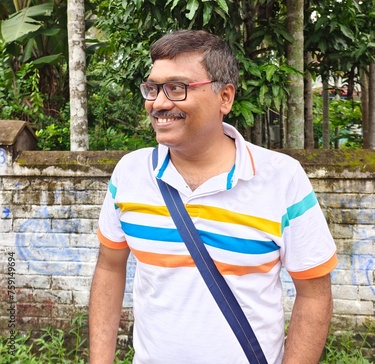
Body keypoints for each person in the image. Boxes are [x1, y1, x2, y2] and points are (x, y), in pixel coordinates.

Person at [89, 29, 337, 364]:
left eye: (176, 88)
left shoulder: (282, 178)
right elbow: (109, 268)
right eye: (152, 88)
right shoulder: (130, 174)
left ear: (225, 97)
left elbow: (314, 294)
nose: (159, 103)